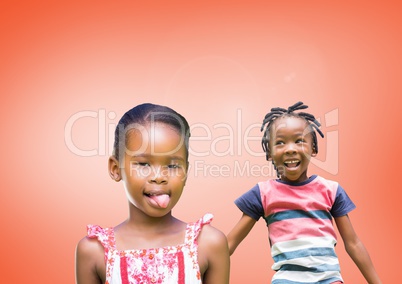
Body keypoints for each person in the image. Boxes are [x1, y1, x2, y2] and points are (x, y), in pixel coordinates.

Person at [227, 102, 381, 283]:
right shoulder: (262, 194)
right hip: (287, 280)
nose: (290, 149)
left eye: (299, 140)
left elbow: (353, 243)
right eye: (280, 142)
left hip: (329, 279)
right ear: (269, 153)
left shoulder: (331, 190)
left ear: (313, 148)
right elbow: (230, 243)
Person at [75, 103, 230, 284]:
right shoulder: (94, 251)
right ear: (116, 169)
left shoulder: (209, 244)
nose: (159, 177)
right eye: (143, 164)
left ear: (186, 172)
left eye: (172, 166)